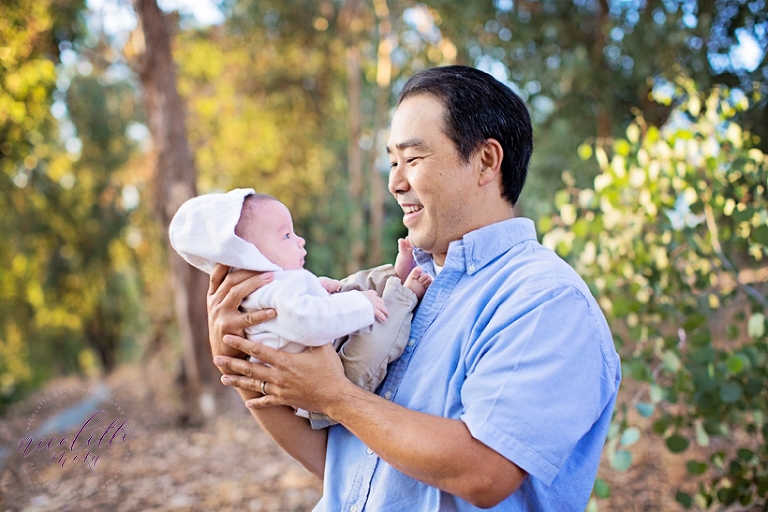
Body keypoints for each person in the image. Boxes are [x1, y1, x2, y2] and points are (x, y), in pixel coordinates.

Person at [206, 65, 621, 511]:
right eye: (392, 162)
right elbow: (349, 467)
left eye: (413, 159)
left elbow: (484, 471)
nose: (395, 181)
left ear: (486, 161)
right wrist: (240, 360)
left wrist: (335, 396)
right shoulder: (403, 289)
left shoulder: (544, 300)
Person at [169, 188, 431, 427]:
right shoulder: (269, 291)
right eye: (286, 235)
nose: (299, 240)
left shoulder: (271, 282)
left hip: (330, 354)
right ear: (250, 255)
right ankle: (405, 295)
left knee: (349, 288)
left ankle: (394, 278)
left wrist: (319, 287)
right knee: (376, 336)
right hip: (332, 382)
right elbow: (309, 323)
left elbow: (299, 305)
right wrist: (360, 304)